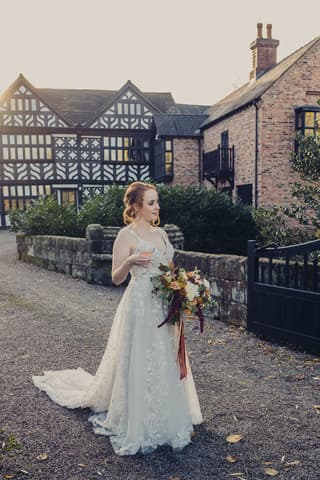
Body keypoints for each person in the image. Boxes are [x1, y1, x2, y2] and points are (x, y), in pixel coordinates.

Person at [33, 181, 203, 456]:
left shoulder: (161, 234)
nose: (157, 207)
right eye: (151, 202)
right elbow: (115, 278)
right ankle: (138, 416)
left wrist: (182, 288)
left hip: (163, 305)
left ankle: (165, 412)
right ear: (136, 206)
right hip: (139, 305)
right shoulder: (127, 235)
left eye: (157, 202)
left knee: (164, 357)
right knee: (140, 358)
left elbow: (168, 269)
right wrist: (130, 262)